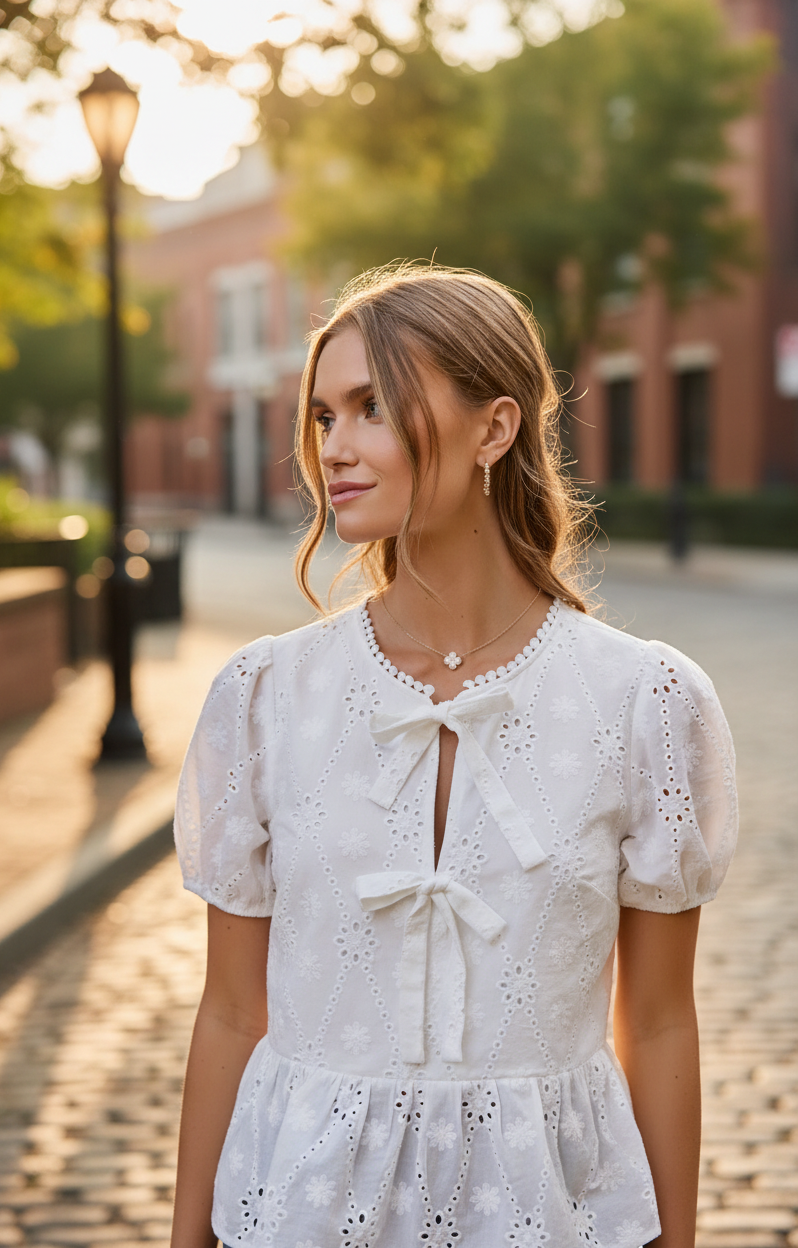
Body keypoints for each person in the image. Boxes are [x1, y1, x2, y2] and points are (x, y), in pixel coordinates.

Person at [170, 264, 737, 1248]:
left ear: (495, 427)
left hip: (551, 1215)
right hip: (300, 1211)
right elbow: (227, 1012)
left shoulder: (644, 703)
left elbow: (655, 1025)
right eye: (321, 417)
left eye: (372, 407)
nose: (335, 448)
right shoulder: (263, 698)